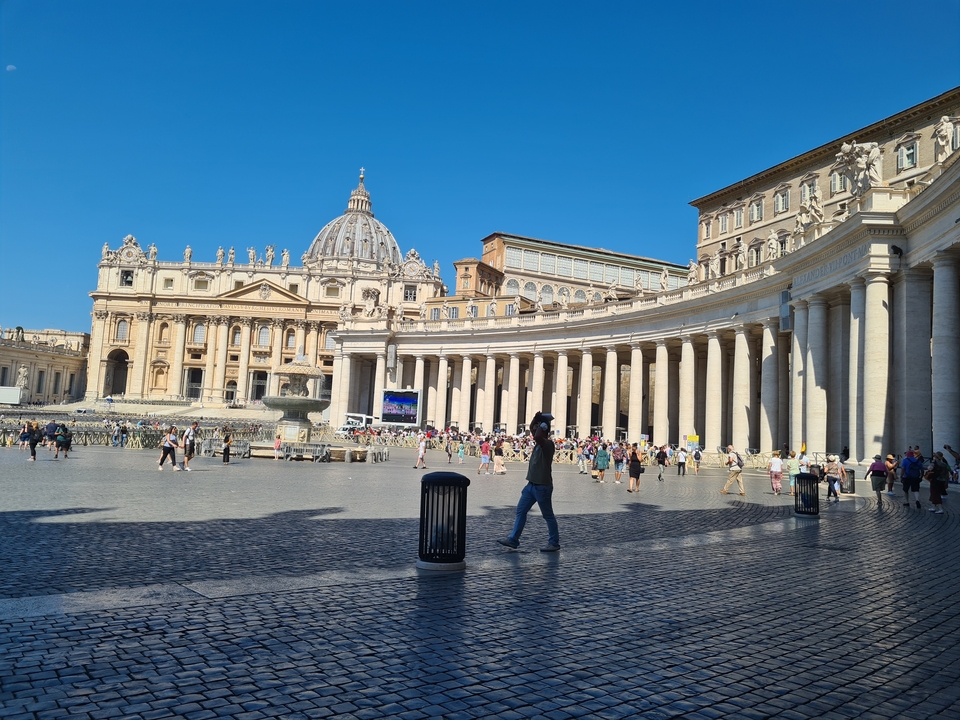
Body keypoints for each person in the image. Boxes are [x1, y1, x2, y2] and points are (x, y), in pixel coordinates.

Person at [497, 412, 560, 552]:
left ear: (544, 429)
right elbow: (534, 432)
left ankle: (554, 542)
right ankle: (513, 539)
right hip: (531, 485)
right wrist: (535, 420)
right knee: (521, 511)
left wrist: (542, 425)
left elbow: (537, 435)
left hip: (542, 486)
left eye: (538, 427)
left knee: (548, 515)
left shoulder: (548, 444)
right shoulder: (539, 444)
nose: (533, 430)